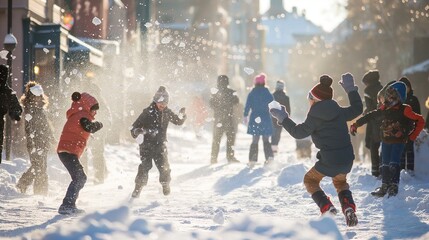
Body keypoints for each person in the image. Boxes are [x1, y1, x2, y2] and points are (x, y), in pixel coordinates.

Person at [270, 73, 362, 227]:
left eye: (310, 99)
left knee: (310, 180)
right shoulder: (338, 110)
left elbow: (298, 133)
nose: (309, 102)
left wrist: (283, 118)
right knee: (340, 182)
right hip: (346, 158)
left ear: (315, 100)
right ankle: (348, 207)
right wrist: (351, 90)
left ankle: (327, 208)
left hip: (329, 160)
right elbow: (358, 108)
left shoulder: (314, 116)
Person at [350, 81, 425, 197]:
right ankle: (384, 186)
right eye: (387, 97)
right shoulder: (385, 109)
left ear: (398, 97)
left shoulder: (405, 109)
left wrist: (412, 136)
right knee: (384, 164)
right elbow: (370, 116)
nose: (387, 100)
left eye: (391, 97)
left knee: (394, 163)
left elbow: (420, 120)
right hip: (386, 140)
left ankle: (394, 186)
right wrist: (356, 124)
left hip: (399, 141)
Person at [130, 86, 186, 198]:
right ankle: (138, 187)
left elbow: (178, 121)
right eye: (160, 103)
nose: (162, 105)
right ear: (155, 101)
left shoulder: (167, 112)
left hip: (160, 145)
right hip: (146, 145)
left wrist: (182, 116)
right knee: (145, 166)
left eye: (165, 103)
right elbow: (134, 127)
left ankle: (165, 184)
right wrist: (137, 131)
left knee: (163, 166)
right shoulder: (147, 112)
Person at [57, 92, 103, 214]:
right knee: (80, 178)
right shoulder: (82, 115)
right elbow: (89, 127)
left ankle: (68, 204)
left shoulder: (77, 114)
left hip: (66, 151)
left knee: (79, 178)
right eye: (94, 110)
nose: (95, 113)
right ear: (87, 107)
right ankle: (67, 205)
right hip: (68, 151)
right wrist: (98, 125)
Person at [16, 82, 54, 195]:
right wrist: (32, 142)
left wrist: (51, 137)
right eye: (35, 96)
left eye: (39, 96)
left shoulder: (40, 108)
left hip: (43, 141)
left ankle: (25, 185)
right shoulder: (29, 109)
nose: (37, 98)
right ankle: (39, 191)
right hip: (35, 142)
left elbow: (46, 124)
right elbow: (29, 128)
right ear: (31, 96)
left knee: (40, 166)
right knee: (39, 167)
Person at [80, 78, 112, 184]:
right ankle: (90, 175)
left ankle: (98, 176)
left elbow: (107, 117)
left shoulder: (99, 103)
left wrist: (103, 129)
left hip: (96, 131)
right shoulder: (87, 102)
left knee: (96, 153)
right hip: (88, 131)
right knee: (88, 153)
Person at [243, 73, 274, 167]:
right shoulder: (267, 93)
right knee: (266, 140)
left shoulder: (252, 93)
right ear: (264, 83)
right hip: (265, 118)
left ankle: (252, 160)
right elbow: (273, 105)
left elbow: (247, 105)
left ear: (255, 83)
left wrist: (245, 115)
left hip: (255, 118)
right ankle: (269, 159)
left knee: (255, 140)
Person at [209, 75, 240, 164]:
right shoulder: (231, 92)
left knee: (216, 139)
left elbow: (211, 104)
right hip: (228, 118)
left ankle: (213, 158)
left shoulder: (214, 93)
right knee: (230, 138)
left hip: (218, 119)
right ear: (227, 82)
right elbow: (236, 101)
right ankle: (230, 157)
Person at [361, 70, 383, 177]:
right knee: (383, 144)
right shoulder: (382, 88)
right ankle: (383, 167)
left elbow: (370, 108)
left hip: (373, 121)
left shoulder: (368, 90)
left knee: (373, 145)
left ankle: (375, 171)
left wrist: (365, 113)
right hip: (384, 120)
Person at [0, 64, 22, 163]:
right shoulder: (7, 91)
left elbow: (15, 106)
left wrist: (15, 113)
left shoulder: (7, 91)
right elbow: (15, 106)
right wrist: (15, 113)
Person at [399, 77, 421, 174]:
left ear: (409, 87)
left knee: (410, 149)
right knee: (401, 149)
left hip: (411, 127)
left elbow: (418, 114)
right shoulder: (398, 99)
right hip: (400, 128)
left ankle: (410, 170)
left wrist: (417, 127)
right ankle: (402, 170)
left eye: (406, 87)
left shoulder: (413, 99)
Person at [271, 80, 290, 155]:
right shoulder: (286, 97)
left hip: (272, 118)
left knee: (273, 134)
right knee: (277, 135)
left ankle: (272, 149)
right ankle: (274, 149)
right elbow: (288, 109)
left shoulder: (272, 96)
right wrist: (287, 119)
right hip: (281, 119)